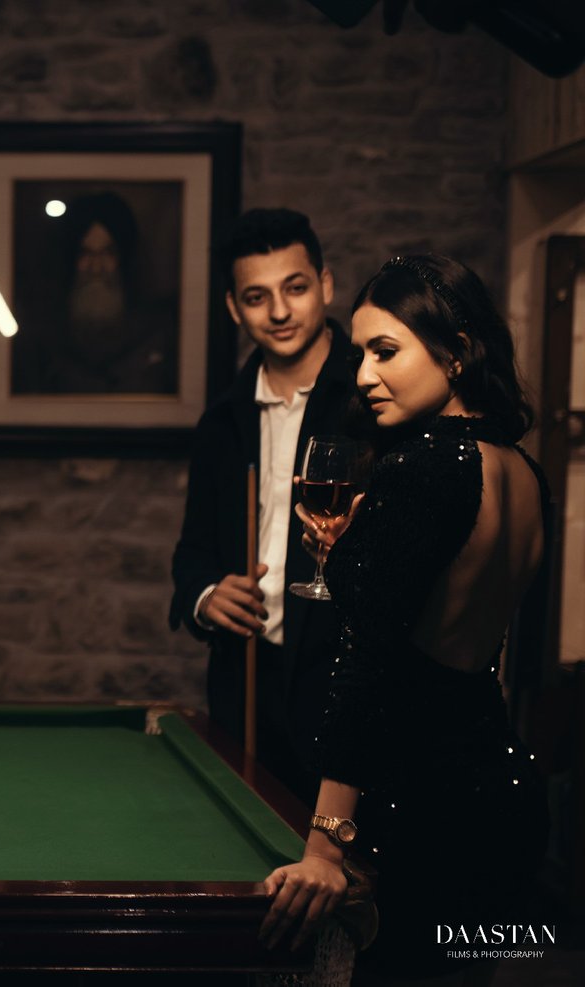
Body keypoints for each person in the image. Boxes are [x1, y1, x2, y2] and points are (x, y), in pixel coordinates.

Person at [260, 255, 550, 981]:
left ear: (454, 350)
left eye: (385, 350)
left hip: (416, 811)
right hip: (498, 795)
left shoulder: (422, 467)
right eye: (360, 352)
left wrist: (326, 844)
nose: (363, 375)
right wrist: (363, 548)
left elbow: (370, 662)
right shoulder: (521, 468)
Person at [169, 208, 354, 806]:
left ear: (325, 285)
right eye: (257, 296)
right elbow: (192, 552)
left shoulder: (372, 403)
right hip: (246, 680)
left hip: (341, 681)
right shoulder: (222, 421)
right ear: (233, 307)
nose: (278, 312)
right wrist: (205, 594)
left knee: (338, 875)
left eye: (295, 288)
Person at [10, 191, 178, 394]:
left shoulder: (159, 332)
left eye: (108, 252)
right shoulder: (40, 336)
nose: (96, 267)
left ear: (124, 258)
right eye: (85, 253)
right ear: (70, 259)